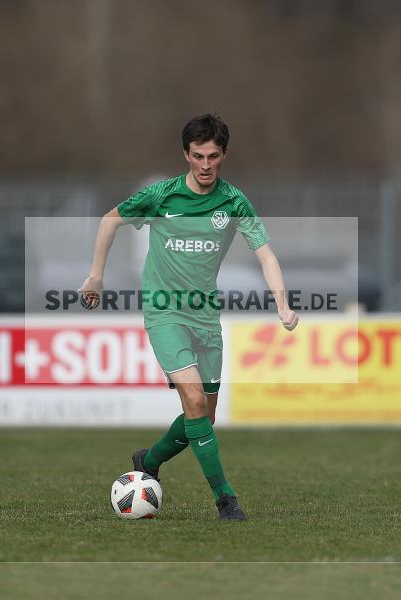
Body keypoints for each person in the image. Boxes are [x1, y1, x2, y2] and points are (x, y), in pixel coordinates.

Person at [80, 113, 298, 520]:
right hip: (165, 314)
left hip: (205, 318)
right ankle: (225, 499)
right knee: (195, 400)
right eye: (197, 156)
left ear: (223, 155)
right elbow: (110, 220)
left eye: (213, 156)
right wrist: (96, 276)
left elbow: (266, 254)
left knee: (204, 415)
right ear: (186, 154)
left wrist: (282, 304)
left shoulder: (233, 201)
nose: (205, 165)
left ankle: (149, 459)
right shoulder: (161, 195)